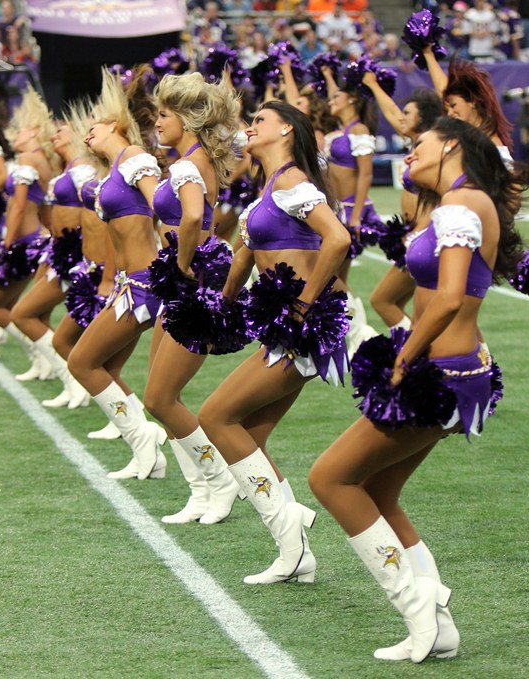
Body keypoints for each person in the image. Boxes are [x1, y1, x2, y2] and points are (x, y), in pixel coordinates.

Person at [309, 116, 525, 662]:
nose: (406, 156)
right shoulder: (462, 203)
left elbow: (450, 297)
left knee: (329, 478)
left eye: (416, 145)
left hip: (441, 371)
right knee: (378, 492)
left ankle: (418, 607)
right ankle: (438, 625)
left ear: (450, 143)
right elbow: (408, 293)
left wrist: (405, 353)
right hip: (456, 367)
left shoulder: (459, 205)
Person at [198, 100, 350, 584]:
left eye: (259, 120)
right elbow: (245, 256)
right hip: (283, 326)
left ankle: (291, 535)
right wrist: (219, 305)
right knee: (251, 440)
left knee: (215, 417)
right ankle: (293, 540)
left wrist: (304, 304)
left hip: (300, 329)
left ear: (285, 127)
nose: (250, 127)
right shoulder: (270, 184)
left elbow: (339, 239)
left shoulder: (290, 180)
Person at [141, 72, 244, 524]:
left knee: (161, 398)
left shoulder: (186, 165)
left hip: (195, 278)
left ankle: (219, 482)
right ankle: (201, 490)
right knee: (158, 394)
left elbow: (196, 216)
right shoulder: (196, 159)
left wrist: (182, 261)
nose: (157, 122)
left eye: (164, 114)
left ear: (185, 118)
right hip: (192, 277)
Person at [67, 69, 169, 475]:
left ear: (115, 124)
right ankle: (146, 447)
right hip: (129, 284)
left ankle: (143, 438)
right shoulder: (116, 168)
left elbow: (163, 206)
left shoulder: (136, 158)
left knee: (82, 361)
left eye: (93, 126)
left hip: (145, 283)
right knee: (101, 366)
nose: (86, 133)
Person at [9, 105, 100, 409]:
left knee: (23, 313)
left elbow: (93, 218)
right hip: (59, 253)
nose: (55, 135)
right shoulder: (69, 167)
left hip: (75, 259)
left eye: (61, 131)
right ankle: (66, 378)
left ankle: (71, 378)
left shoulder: (83, 170)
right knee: (35, 315)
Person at [0, 87, 59, 370]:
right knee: (32, 313)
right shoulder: (45, 161)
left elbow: (19, 206)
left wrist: (7, 243)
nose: (17, 135)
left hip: (24, 243)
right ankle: (42, 361)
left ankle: (46, 359)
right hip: (37, 240)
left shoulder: (27, 160)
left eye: (22, 131)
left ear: (35, 133)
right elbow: (46, 206)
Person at [361, 71, 442, 330]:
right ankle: (415, 355)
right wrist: (373, 85)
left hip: (425, 240)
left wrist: (420, 235)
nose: (401, 118)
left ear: (424, 119)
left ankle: (415, 354)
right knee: (405, 308)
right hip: (414, 238)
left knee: (384, 300)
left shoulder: (433, 149)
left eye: (408, 114)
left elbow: (440, 199)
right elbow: (392, 113)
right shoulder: (417, 143)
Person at [322, 67, 382, 354]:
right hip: (335, 212)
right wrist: (327, 74)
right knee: (336, 276)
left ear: (352, 100)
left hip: (349, 212)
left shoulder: (359, 131)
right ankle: (354, 330)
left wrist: (356, 215)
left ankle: (360, 330)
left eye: (337, 97)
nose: (331, 100)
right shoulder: (339, 132)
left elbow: (366, 175)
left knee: (332, 276)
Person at [422, 48, 514, 165]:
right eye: (447, 109)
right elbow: (443, 90)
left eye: (453, 106)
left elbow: (512, 182)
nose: (449, 113)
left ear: (473, 101)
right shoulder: (464, 133)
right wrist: (428, 53)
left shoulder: (492, 147)